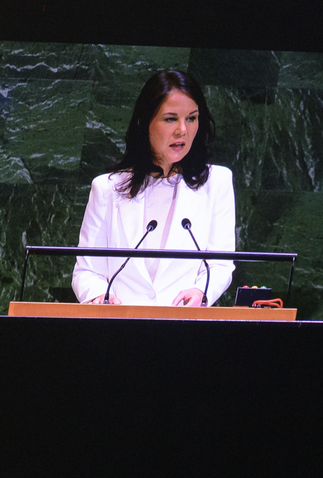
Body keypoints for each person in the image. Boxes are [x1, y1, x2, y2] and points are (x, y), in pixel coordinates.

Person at [70, 70, 234, 308]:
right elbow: (86, 271)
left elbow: (220, 264)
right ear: (143, 122)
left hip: (183, 328)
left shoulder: (217, 182)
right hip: (119, 329)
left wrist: (201, 291)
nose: (183, 130)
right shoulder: (107, 189)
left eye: (191, 118)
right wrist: (99, 297)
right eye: (170, 119)